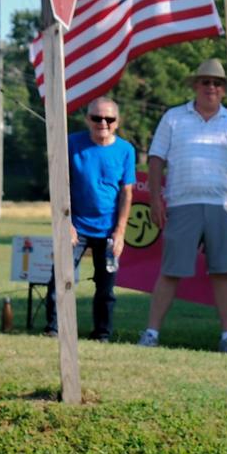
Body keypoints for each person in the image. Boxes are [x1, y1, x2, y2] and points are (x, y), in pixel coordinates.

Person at [136, 58, 227, 355]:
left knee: (222, 271)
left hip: (221, 205)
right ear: (195, 85)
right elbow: (156, 159)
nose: (211, 88)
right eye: (206, 82)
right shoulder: (174, 117)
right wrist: (155, 198)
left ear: (223, 88)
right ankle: (151, 333)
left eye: (217, 83)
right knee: (171, 270)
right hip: (182, 202)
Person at [44, 97, 136, 341]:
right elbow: (58, 184)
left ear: (117, 122)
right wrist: (67, 224)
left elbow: (127, 192)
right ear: (87, 119)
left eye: (108, 119)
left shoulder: (125, 150)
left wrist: (120, 231)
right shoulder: (71, 144)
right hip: (76, 227)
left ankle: (102, 333)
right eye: (96, 118)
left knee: (106, 289)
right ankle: (54, 328)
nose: (102, 123)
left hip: (108, 231)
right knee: (61, 278)